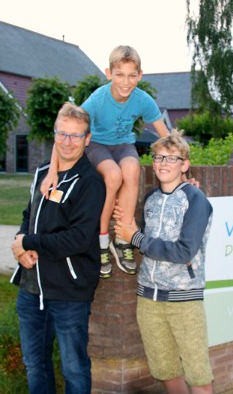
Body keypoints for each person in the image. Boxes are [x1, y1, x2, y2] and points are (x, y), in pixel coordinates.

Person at [41, 45, 169, 279]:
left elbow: (166, 136)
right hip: (97, 146)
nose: (126, 81)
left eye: (132, 75)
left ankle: (123, 239)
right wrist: (53, 171)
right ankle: (101, 242)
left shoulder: (142, 99)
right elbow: (66, 131)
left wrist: (182, 165)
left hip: (123, 146)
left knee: (131, 169)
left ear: (140, 76)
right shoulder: (98, 99)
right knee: (113, 175)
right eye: (119, 74)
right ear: (109, 74)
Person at [10, 102, 106, 394]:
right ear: (54, 135)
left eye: (76, 136)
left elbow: (77, 239)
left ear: (87, 139)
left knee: (74, 370)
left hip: (69, 292)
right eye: (62, 134)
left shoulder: (90, 183)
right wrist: (20, 243)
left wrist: (29, 242)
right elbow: (29, 214)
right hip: (31, 289)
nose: (68, 141)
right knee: (35, 365)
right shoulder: (42, 172)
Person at [113, 129, 215, 394]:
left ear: (185, 165)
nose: (163, 163)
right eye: (158, 157)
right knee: (167, 372)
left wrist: (135, 237)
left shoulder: (196, 200)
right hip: (149, 300)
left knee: (199, 375)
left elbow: (184, 252)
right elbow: (148, 243)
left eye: (172, 158)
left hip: (184, 299)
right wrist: (135, 237)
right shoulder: (151, 199)